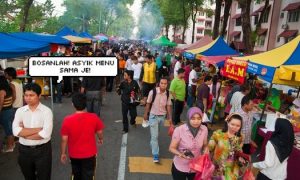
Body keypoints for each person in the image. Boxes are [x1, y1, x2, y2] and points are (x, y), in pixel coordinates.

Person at [12, 83, 53, 180]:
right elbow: (15, 131)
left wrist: (24, 133)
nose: (28, 98)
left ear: (39, 96)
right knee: (28, 177)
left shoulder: (46, 111)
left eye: (31, 95)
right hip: (24, 151)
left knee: (44, 177)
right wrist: (38, 129)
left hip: (43, 151)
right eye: (26, 95)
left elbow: (46, 134)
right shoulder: (20, 111)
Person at [60, 93, 105, 180]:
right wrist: (100, 139)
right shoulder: (94, 117)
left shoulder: (67, 120)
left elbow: (64, 139)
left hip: (74, 154)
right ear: (86, 104)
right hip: (90, 154)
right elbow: (99, 132)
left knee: (76, 174)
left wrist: (63, 153)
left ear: (73, 104)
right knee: (89, 175)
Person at [169, 107, 208, 180]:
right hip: (180, 167)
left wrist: (206, 149)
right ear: (188, 118)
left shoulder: (204, 129)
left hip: (196, 167)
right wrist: (180, 154)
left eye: (199, 118)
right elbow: (172, 148)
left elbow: (205, 145)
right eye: (193, 118)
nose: (196, 121)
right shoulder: (179, 130)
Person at [143, 77, 172, 163]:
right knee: (155, 136)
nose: (163, 85)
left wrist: (170, 117)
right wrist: (145, 114)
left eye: (165, 83)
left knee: (156, 134)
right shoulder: (153, 92)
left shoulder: (168, 93)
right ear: (159, 83)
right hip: (153, 116)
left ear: (167, 84)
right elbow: (148, 103)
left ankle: (152, 142)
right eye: (162, 83)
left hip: (162, 117)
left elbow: (168, 106)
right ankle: (156, 155)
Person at [208, 113, 244, 179]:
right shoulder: (218, 133)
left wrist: (241, 157)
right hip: (217, 166)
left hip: (231, 168)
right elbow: (210, 148)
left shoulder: (240, 137)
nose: (234, 127)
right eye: (232, 124)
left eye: (238, 126)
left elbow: (239, 150)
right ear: (228, 123)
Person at [0, 75, 15, 152]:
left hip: (5, 112)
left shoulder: (2, 91)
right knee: (9, 128)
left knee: (8, 130)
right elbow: (14, 97)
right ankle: (11, 144)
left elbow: (0, 104)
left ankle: (10, 147)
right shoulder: (10, 87)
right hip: (10, 109)